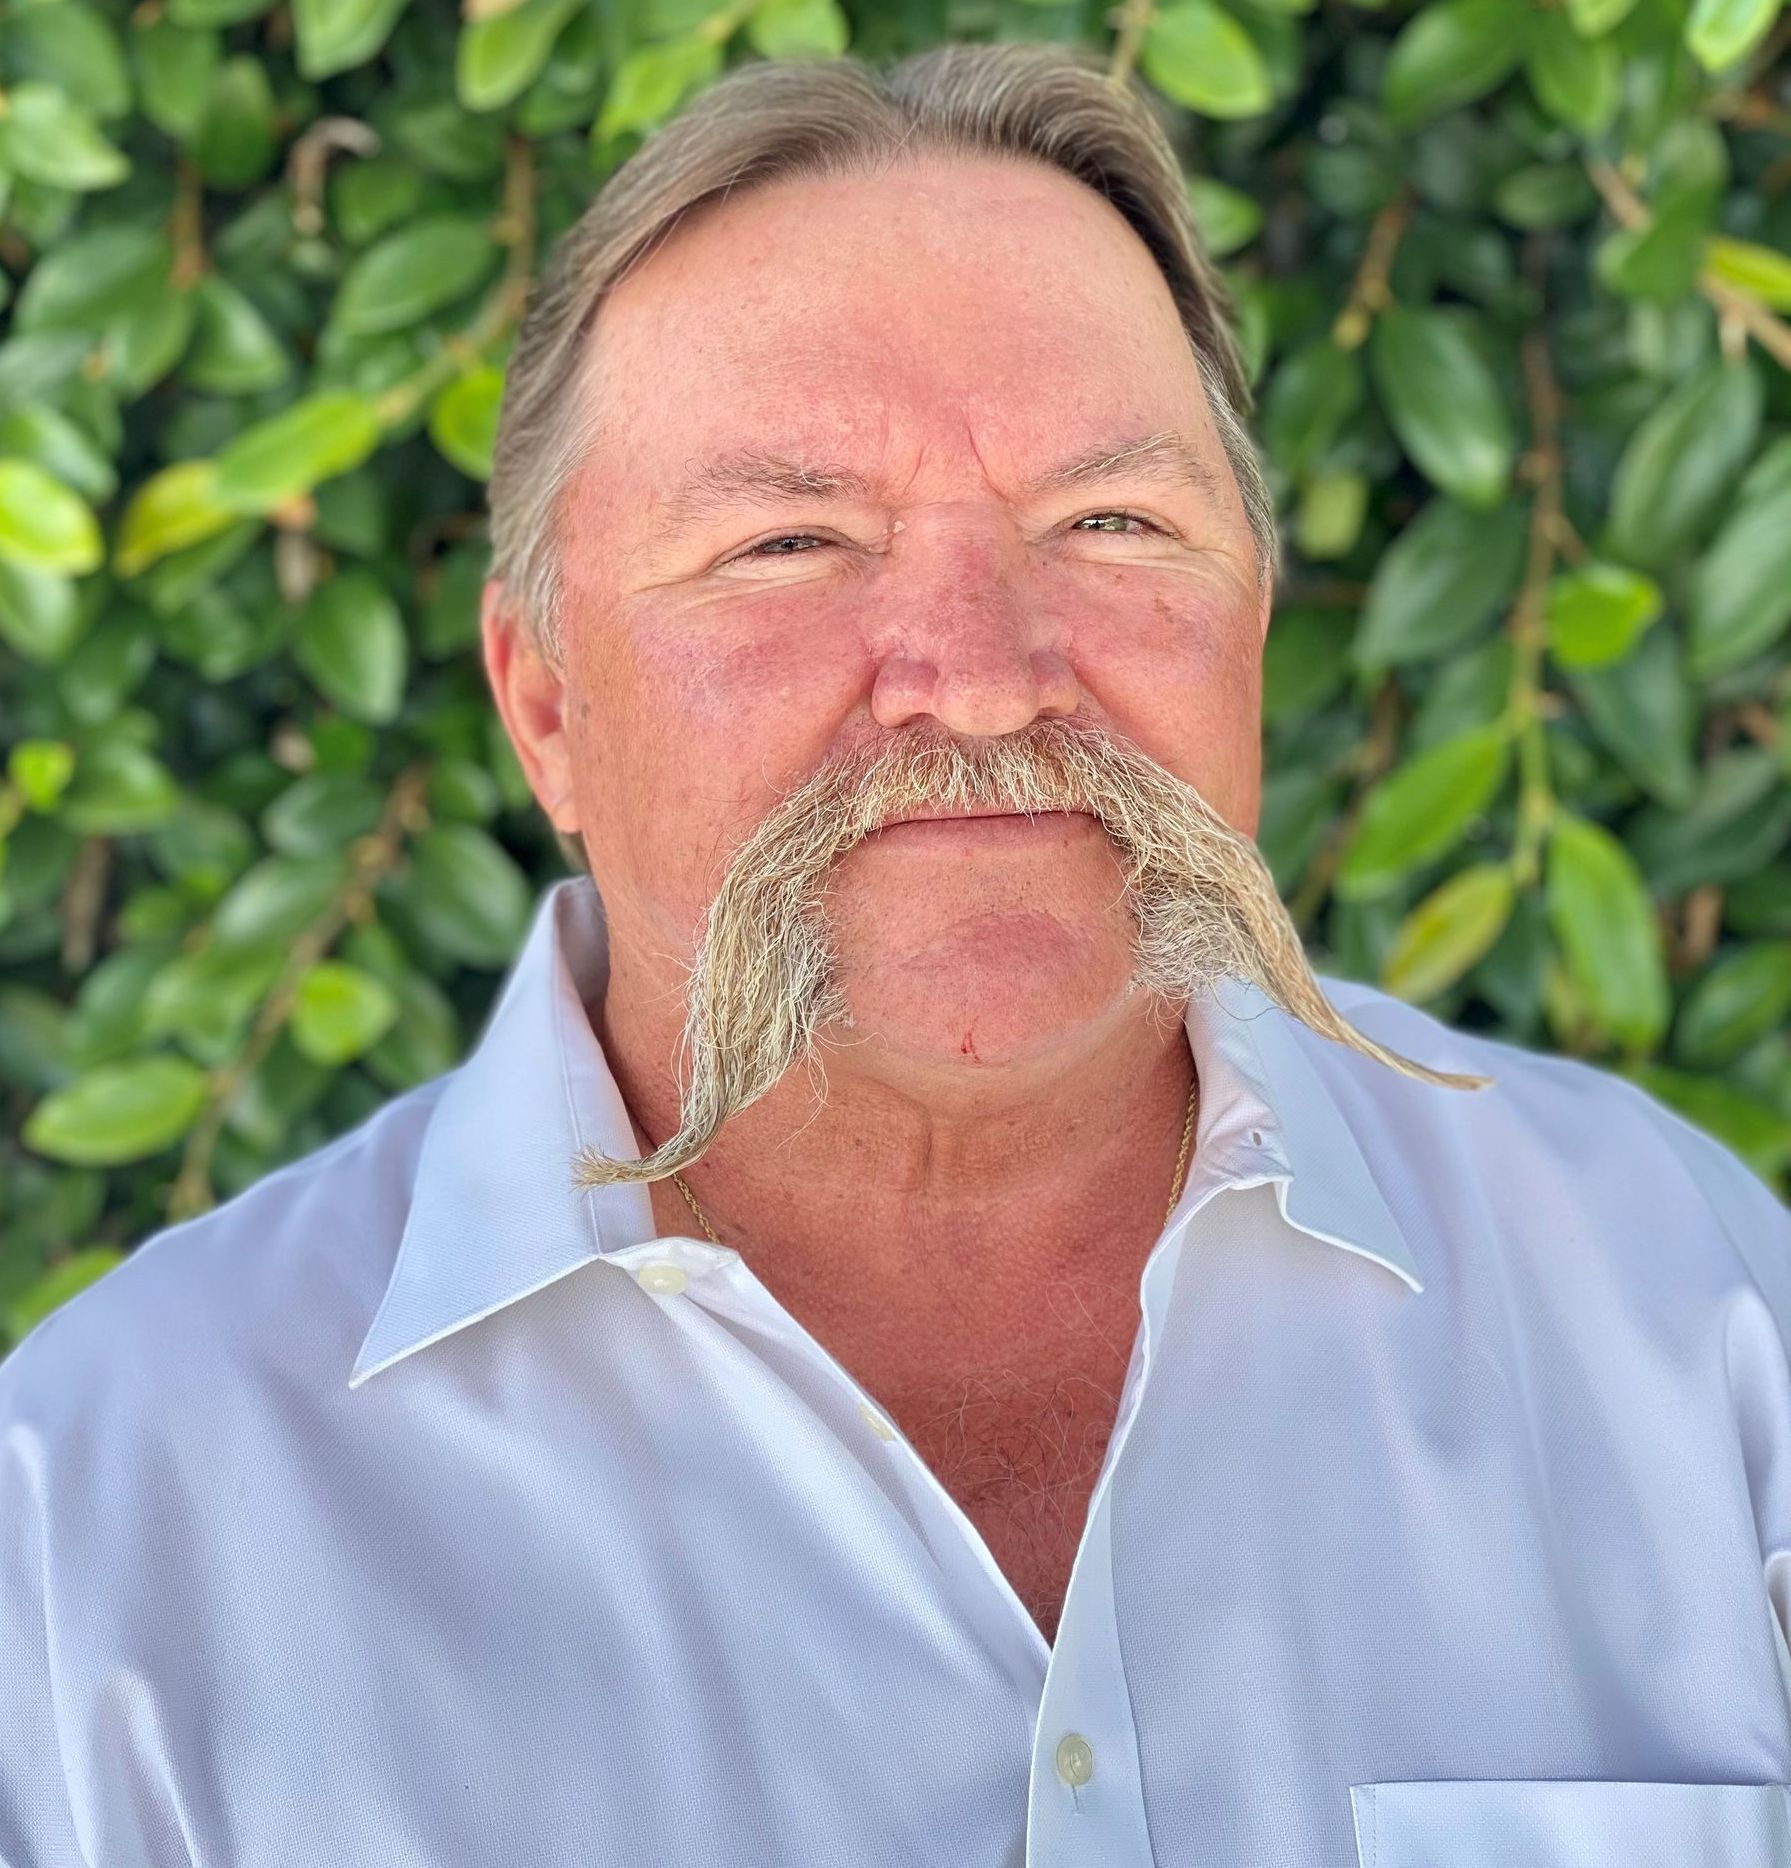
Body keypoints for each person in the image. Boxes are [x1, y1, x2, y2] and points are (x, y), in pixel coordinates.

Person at [5, 39, 1790, 1868]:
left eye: (1111, 523)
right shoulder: (100, 1536)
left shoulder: (1689, 1304)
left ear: (1250, 622)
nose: (985, 677)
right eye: (791, 543)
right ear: (545, 705)